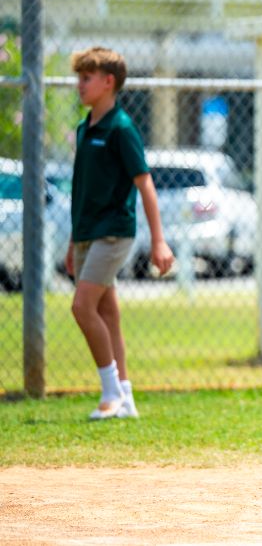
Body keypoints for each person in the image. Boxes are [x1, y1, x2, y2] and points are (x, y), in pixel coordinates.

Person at [65, 47, 174, 420]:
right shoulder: (85, 128)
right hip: (86, 233)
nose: (79, 84)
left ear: (108, 82)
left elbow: (145, 186)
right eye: (79, 77)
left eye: (86, 77)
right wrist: (71, 242)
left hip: (114, 234)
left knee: (82, 307)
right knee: (107, 313)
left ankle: (110, 393)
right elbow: (81, 189)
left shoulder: (121, 128)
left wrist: (159, 241)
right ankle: (126, 396)